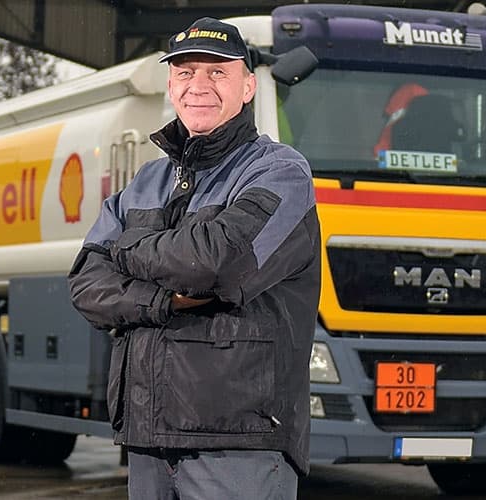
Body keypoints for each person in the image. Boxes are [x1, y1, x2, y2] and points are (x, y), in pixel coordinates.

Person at [68, 16, 320, 500]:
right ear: (171, 86)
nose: (198, 85)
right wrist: (164, 301)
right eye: (185, 72)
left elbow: (215, 264)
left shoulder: (280, 172)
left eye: (217, 72)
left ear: (248, 87)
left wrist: (126, 248)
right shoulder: (146, 181)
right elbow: (85, 283)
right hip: (147, 439)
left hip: (239, 442)